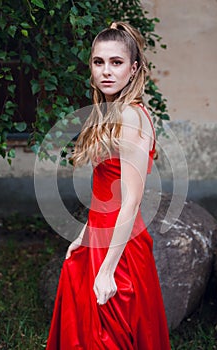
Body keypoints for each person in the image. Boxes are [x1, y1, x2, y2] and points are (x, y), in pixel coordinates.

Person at [46, 21, 171, 350]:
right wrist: (83, 232)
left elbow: (129, 201)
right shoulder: (110, 113)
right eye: (99, 62)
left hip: (120, 247)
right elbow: (106, 191)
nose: (106, 71)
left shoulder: (130, 116)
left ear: (133, 69)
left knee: (110, 338)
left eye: (116, 63)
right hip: (100, 236)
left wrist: (106, 271)